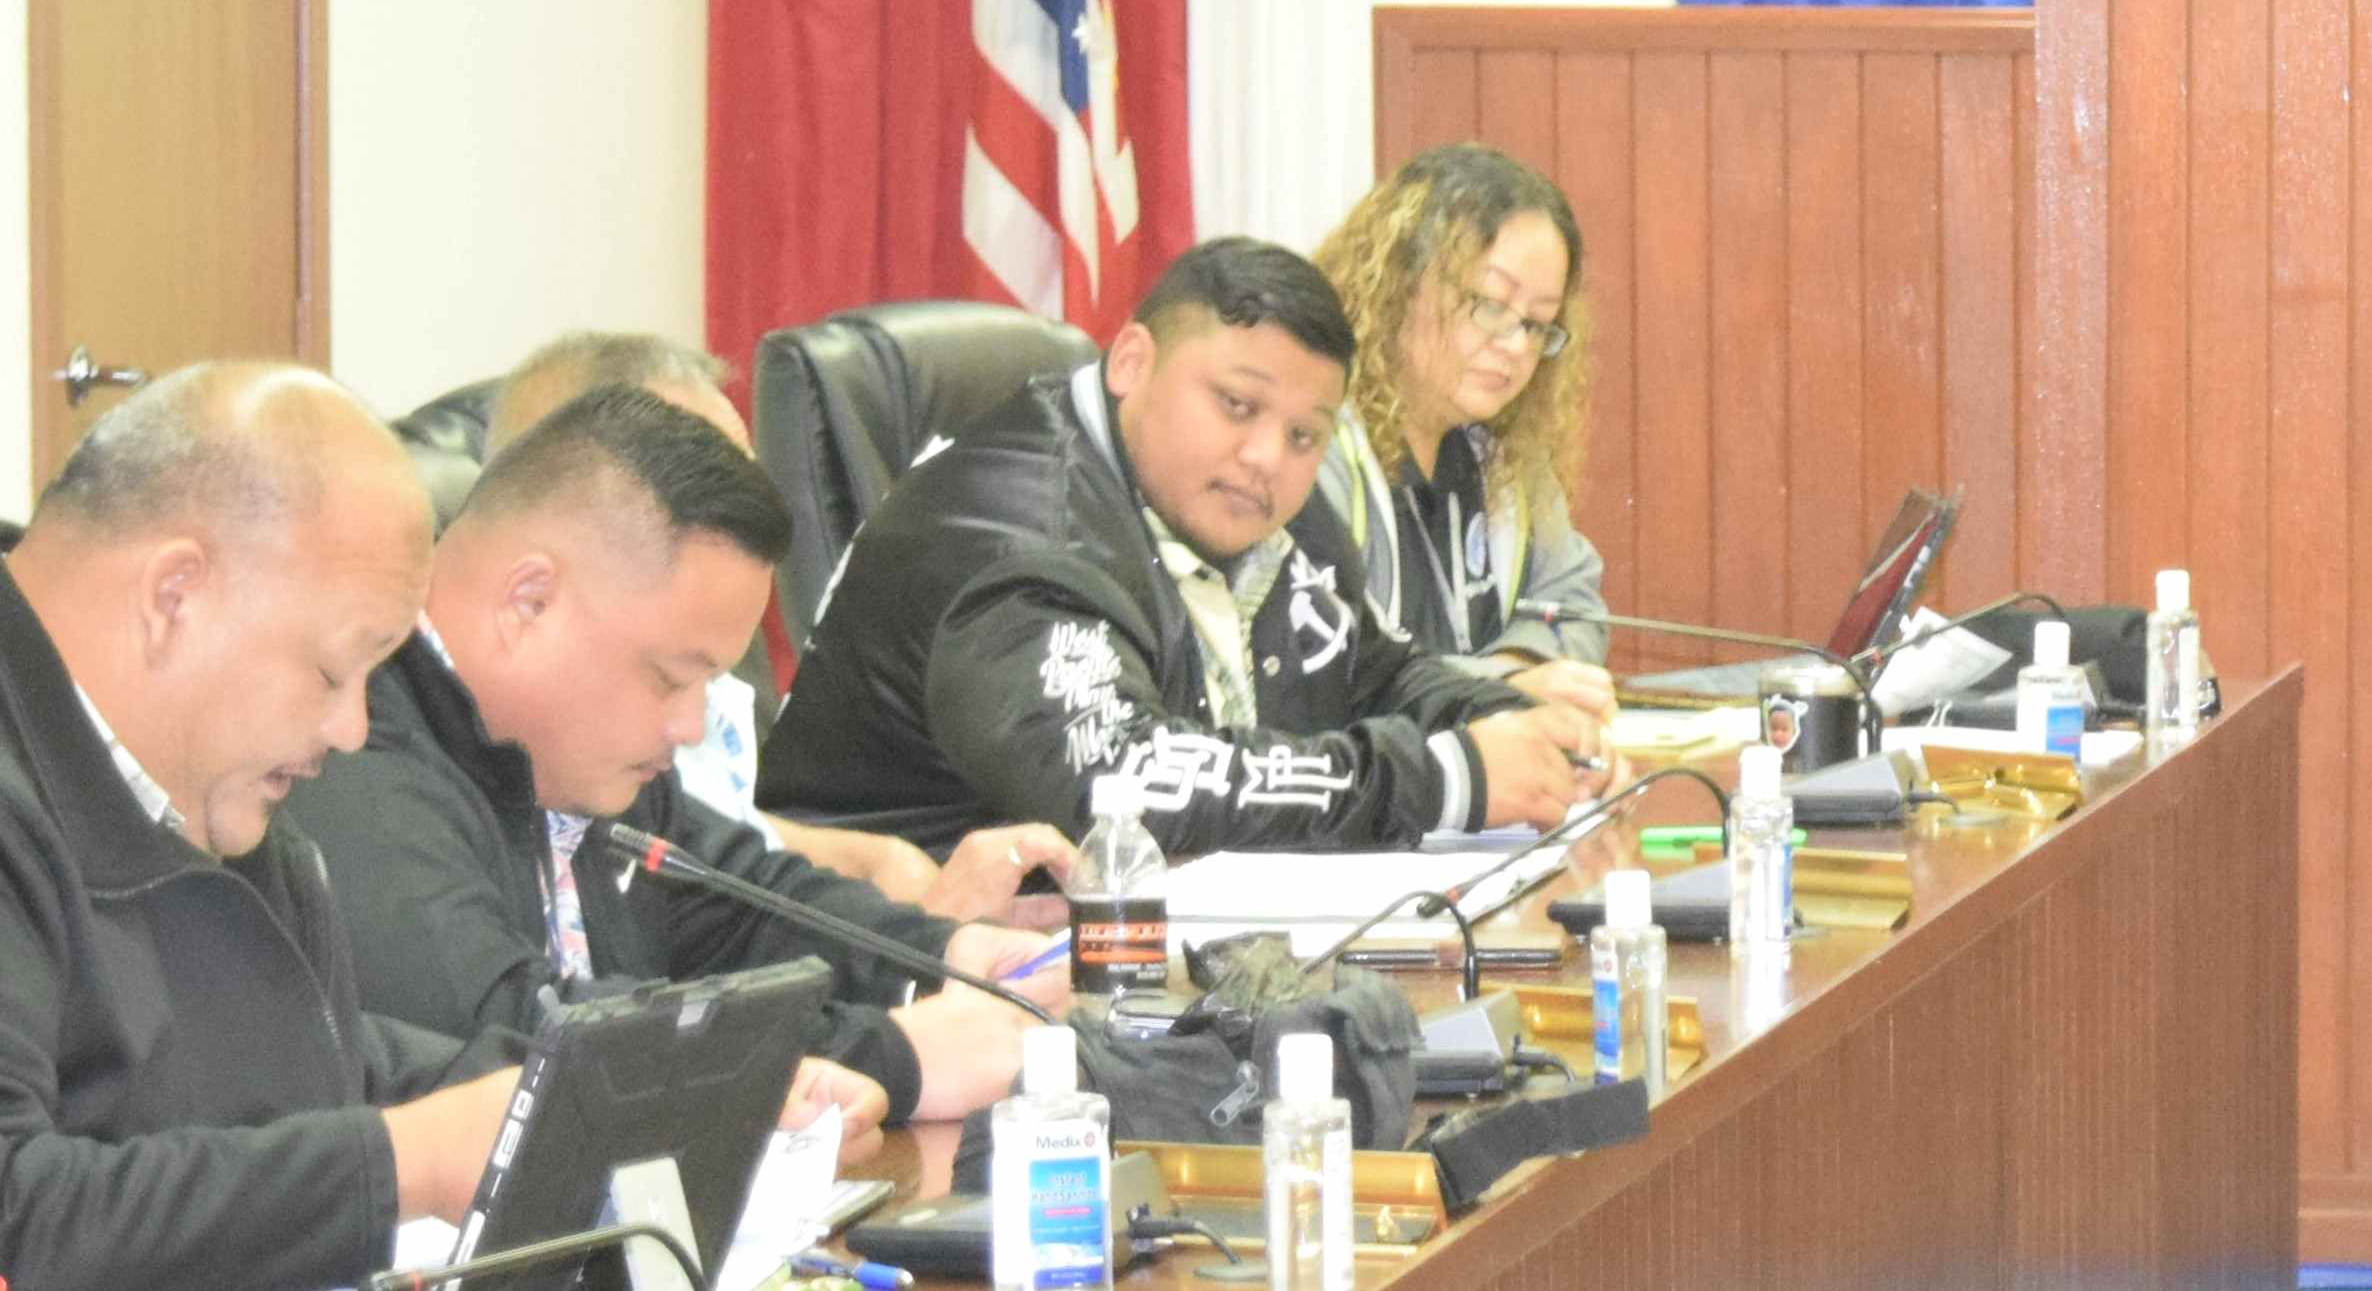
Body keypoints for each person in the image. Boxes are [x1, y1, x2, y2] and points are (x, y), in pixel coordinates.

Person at [271, 388, 1067, 1138]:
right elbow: (503, 1033)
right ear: (528, 602)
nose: (690, 725)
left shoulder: (574, 756)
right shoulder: (350, 747)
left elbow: (738, 901)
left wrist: (947, 959)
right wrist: (899, 1054)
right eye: (669, 678)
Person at [760, 238, 1605, 854]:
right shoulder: (1015, 538)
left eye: (1307, 434)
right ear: (1131, 361)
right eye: (1236, 406)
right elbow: (1128, 787)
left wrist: (1510, 727)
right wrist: (1446, 777)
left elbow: (1372, 671)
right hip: (920, 971)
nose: (1268, 456)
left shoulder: (1245, 496)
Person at [0, 365, 527, 1291]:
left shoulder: (210, 792)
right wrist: (405, 1162)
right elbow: (14, 1222)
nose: (353, 729)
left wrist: (580, 1087)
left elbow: (298, 1061)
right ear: (175, 595)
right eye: (333, 668)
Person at [454, 333, 1073, 925]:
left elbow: (724, 841)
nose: (744, 501)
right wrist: (918, 951)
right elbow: (685, 952)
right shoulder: (570, 738)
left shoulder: (676, 674)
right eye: (697, 476)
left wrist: (888, 877)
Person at [1298, 145, 1619, 695]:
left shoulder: (1500, 452)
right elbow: (1338, 673)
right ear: (1399, 284)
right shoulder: (1312, 449)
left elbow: (1574, 603)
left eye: (1538, 324)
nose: (1516, 346)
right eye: (1491, 304)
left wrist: (1519, 665)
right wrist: (1499, 690)